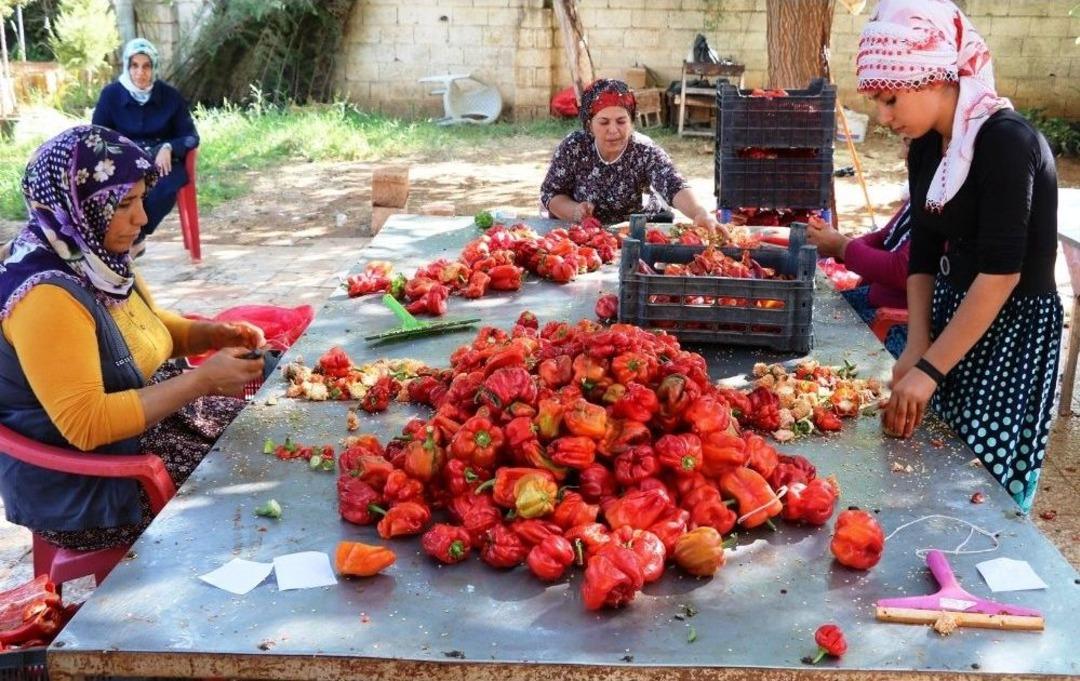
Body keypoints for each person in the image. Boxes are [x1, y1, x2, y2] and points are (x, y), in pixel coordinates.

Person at [0, 126, 264, 551]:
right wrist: (202, 380)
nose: (141, 218)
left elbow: (147, 328)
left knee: (267, 425)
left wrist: (211, 334)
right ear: (78, 206)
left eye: (140, 199)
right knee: (253, 479)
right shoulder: (46, 296)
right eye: (124, 204)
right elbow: (87, 424)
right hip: (93, 487)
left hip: (142, 432)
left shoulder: (93, 256)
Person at [861, 0, 1061, 511]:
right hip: (955, 316)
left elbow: (999, 277)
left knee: (980, 481)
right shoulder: (929, 145)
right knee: (932, 456)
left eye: (889, 100)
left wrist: (931, 370)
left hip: (1010, 330)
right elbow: (924, 253)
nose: (884, 117)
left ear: (933, 79)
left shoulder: (1007, 143)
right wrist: (918, 347)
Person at [540, 79, 726, 235]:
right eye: (604, 122)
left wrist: (699, 212)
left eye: (621, 121)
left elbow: (674, 184)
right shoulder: (575, 147)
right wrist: (575, 211)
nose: (613, 130)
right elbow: (551, 194)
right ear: (589, 125)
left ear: (631, 122)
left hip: (632, 232)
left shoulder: (643, 150)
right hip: (583, 234)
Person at [92, 38, 198, 250]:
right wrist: (121, 154)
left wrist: (169, 147)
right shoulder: (111, 95)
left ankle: (137, 236)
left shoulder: (170, 97)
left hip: (160, 159)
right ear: (127, 66)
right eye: (135, 65)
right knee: (106, 183)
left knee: (166, 183)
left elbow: (190, 136)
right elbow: (97, 134)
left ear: (154, 67)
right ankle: (105, 238)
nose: (140, 72)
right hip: (122, 158)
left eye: (147, 66)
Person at [809, 200, 911, 357]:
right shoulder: (924, 189)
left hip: (899, 324)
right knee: (807, 310)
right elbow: (883, 238)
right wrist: (835, 242)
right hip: (875, 296)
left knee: (809, 334)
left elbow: (904, 270)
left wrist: (841, 246)